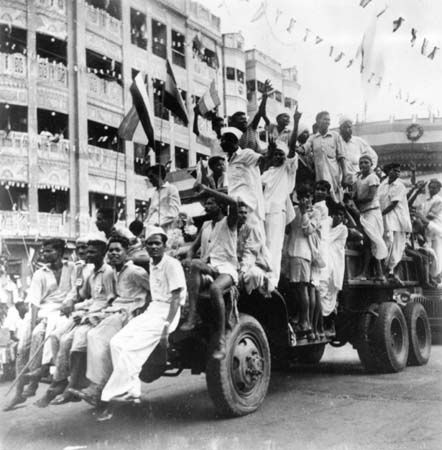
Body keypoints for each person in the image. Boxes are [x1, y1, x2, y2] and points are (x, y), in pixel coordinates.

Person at [97, 227, 187, 421]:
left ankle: (111, 396)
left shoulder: (171, 264)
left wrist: (166, 327)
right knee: (117, 343)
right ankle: (133, 390)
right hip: (152, 311)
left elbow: (176, 297)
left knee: (131, 352)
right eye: (150, 243)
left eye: (157, 243)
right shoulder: (153, 265)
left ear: (164, 245)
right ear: (145, 245)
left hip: (167, 314)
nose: (153, 247)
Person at [72, 235, 150, 407]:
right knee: (92, 334)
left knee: (98, 337)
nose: (114, 254)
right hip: (116, 309)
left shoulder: (135, 272)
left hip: (128, 312)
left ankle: (99, 385)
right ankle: (97, 383)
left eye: (118, 250)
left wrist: (143, 308)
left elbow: (153, 290)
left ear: (126, 252)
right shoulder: (115, 271)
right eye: (111, 250)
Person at [38, 235, 116, 406]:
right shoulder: (91, 272)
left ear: (103, 253)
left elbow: (110, 301)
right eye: (87, 252)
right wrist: (76, 307)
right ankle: (60, 379)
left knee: (71, 342)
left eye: (92, 252)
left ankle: (72, 385)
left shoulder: (108, 272)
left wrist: (89, 312)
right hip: (86, 313)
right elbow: (88, 297)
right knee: (56, 336)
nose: (88, 255)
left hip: (98, 317)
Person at [4, 239, 77, 411]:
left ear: (60, 252)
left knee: (41, 335)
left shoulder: (72, 268)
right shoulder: (39, 274)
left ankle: (36, 380)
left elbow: (74, 291)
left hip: (63, 310)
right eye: (43, 251)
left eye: (48, 251)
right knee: (23, 347)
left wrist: (68, 305)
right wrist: (35, 320)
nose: (44, 254)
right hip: (41, 312)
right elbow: (34, 302)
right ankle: (19, 392)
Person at [180, 186, 239, 360]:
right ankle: (192, 316)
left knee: (215, 289)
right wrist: (191, 259)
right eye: (206, 204)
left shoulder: (230, 222)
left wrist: (207, 190)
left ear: (221, 205)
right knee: (195, 265)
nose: (207, 207)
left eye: (211, 203)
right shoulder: (205, 225)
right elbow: (192, 249)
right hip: (207, 268)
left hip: (226, 269)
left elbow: (234, 202)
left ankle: (221, 337)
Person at [261, 140, 298, 287]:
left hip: (277, 212)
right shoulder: (268, 172)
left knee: (274, 246)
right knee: (263, 244)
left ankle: (271, 282)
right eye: (275, 154)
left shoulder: (287, 169)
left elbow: (293, 151)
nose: (278, 157)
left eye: (281, 154)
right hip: (264, 212)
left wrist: (295, 122)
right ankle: (262, 276)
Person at [286, 186, 320, 338]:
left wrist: (304, 212)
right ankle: (302, 321)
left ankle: (305, 322)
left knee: (302, 288)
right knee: (297, 288)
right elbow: (288, 229)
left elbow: (308, 230)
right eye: (302, 197)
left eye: (308, 197)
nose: (305, 200)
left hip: (303, 252)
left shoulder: (314, 213)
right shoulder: (293, 210)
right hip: (292, 251)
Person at [221, 127, 265, 235]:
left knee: (253, 238)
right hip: (234, 206)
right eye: (221, 140)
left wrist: (271, 151)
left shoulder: (246, 154)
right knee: (238, 239)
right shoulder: (227, 160)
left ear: (235, 142)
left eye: (224, 140)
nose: (221, 143)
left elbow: (263, 159)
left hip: (248, 206)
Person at [352, 155, 388, 280]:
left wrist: (354, 200)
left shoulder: (373, 177)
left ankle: (366, 273)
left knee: (372, 241)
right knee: (369, 242)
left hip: (373, 212)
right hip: (364, 213)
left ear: (371, 164)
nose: (363, 165)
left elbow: (370, 197)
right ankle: (379, 274)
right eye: (361, 163)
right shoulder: (358, 179)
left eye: (366, 162)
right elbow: (355, 194)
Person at [303, 111, 348, 203]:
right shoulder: (313, 138)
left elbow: (341, 157)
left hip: (334, 176)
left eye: (329, 120)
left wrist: (345, 175)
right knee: (323, 201)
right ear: (318, 121)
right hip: (320, 177)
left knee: (337, 201)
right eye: (325, 119)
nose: (328, 122)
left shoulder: (335, 136)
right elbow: (304, 149)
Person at [378, 163, 412, 283]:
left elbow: (393, 204)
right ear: (389, 171)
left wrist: (380, 214)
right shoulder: (383, 184)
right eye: (395, 170)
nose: (397, 173)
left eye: (399, 171)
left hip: (397, 218)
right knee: (387, 241)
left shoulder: (400, 185)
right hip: (385, 217)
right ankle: (385, 271)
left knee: (395, 245)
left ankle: (389, 271)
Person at [320, 204, 348, 327]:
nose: (338, 217)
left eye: (341, 215)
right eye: (336, 214)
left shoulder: (343, 229)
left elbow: (325, 238)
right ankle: (322, 322)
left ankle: (329, 322)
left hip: (335, 264)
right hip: (326, 262)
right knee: (322, 293)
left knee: (330, 294)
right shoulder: (329, 223)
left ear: (343, 218)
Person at [237, 202, 273, 296]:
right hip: (240, 264)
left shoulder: (252, 228)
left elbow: (250, 253)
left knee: (253, 274)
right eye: (240, 212)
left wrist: (242, 271)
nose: (243, 215)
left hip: (256, 264)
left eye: (245, 213)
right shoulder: (234, 229)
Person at [230, 79, 272, 153]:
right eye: (240, 120)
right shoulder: (231, 136)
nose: (244, 121)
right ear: (233, 123)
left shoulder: (251, 129)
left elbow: (260, 112)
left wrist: (264, 97)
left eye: (245, 119)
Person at [339, 117, 378, 185]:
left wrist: (368, 170)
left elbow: (374, 156)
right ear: (340, 128)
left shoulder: (358, 141)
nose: (347, 129)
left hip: (357, 180)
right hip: (341, 181)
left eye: (349, 127)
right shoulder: (337, 142)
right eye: (345, 127)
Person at [144, 165, 181, 233]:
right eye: (149, 178)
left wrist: (158, 223)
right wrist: (145, 225)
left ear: (159, 175)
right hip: (150, 229)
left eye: (152, 176)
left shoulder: (171, 189)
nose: (150, 180)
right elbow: (150, 213)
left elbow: (174, 212)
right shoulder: (153, 193)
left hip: (165, 229)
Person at [419, 179, 442, 279]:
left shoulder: (439, 200)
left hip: (434, 227)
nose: (431, 189)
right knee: (429, 252)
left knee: (437, 252)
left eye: (434, 188)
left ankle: (436, 275)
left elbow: (430, 216)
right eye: (430, 187)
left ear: (439, 189)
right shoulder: (426, 200)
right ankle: (431, 275)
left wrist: (419, 217)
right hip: (427, 228)